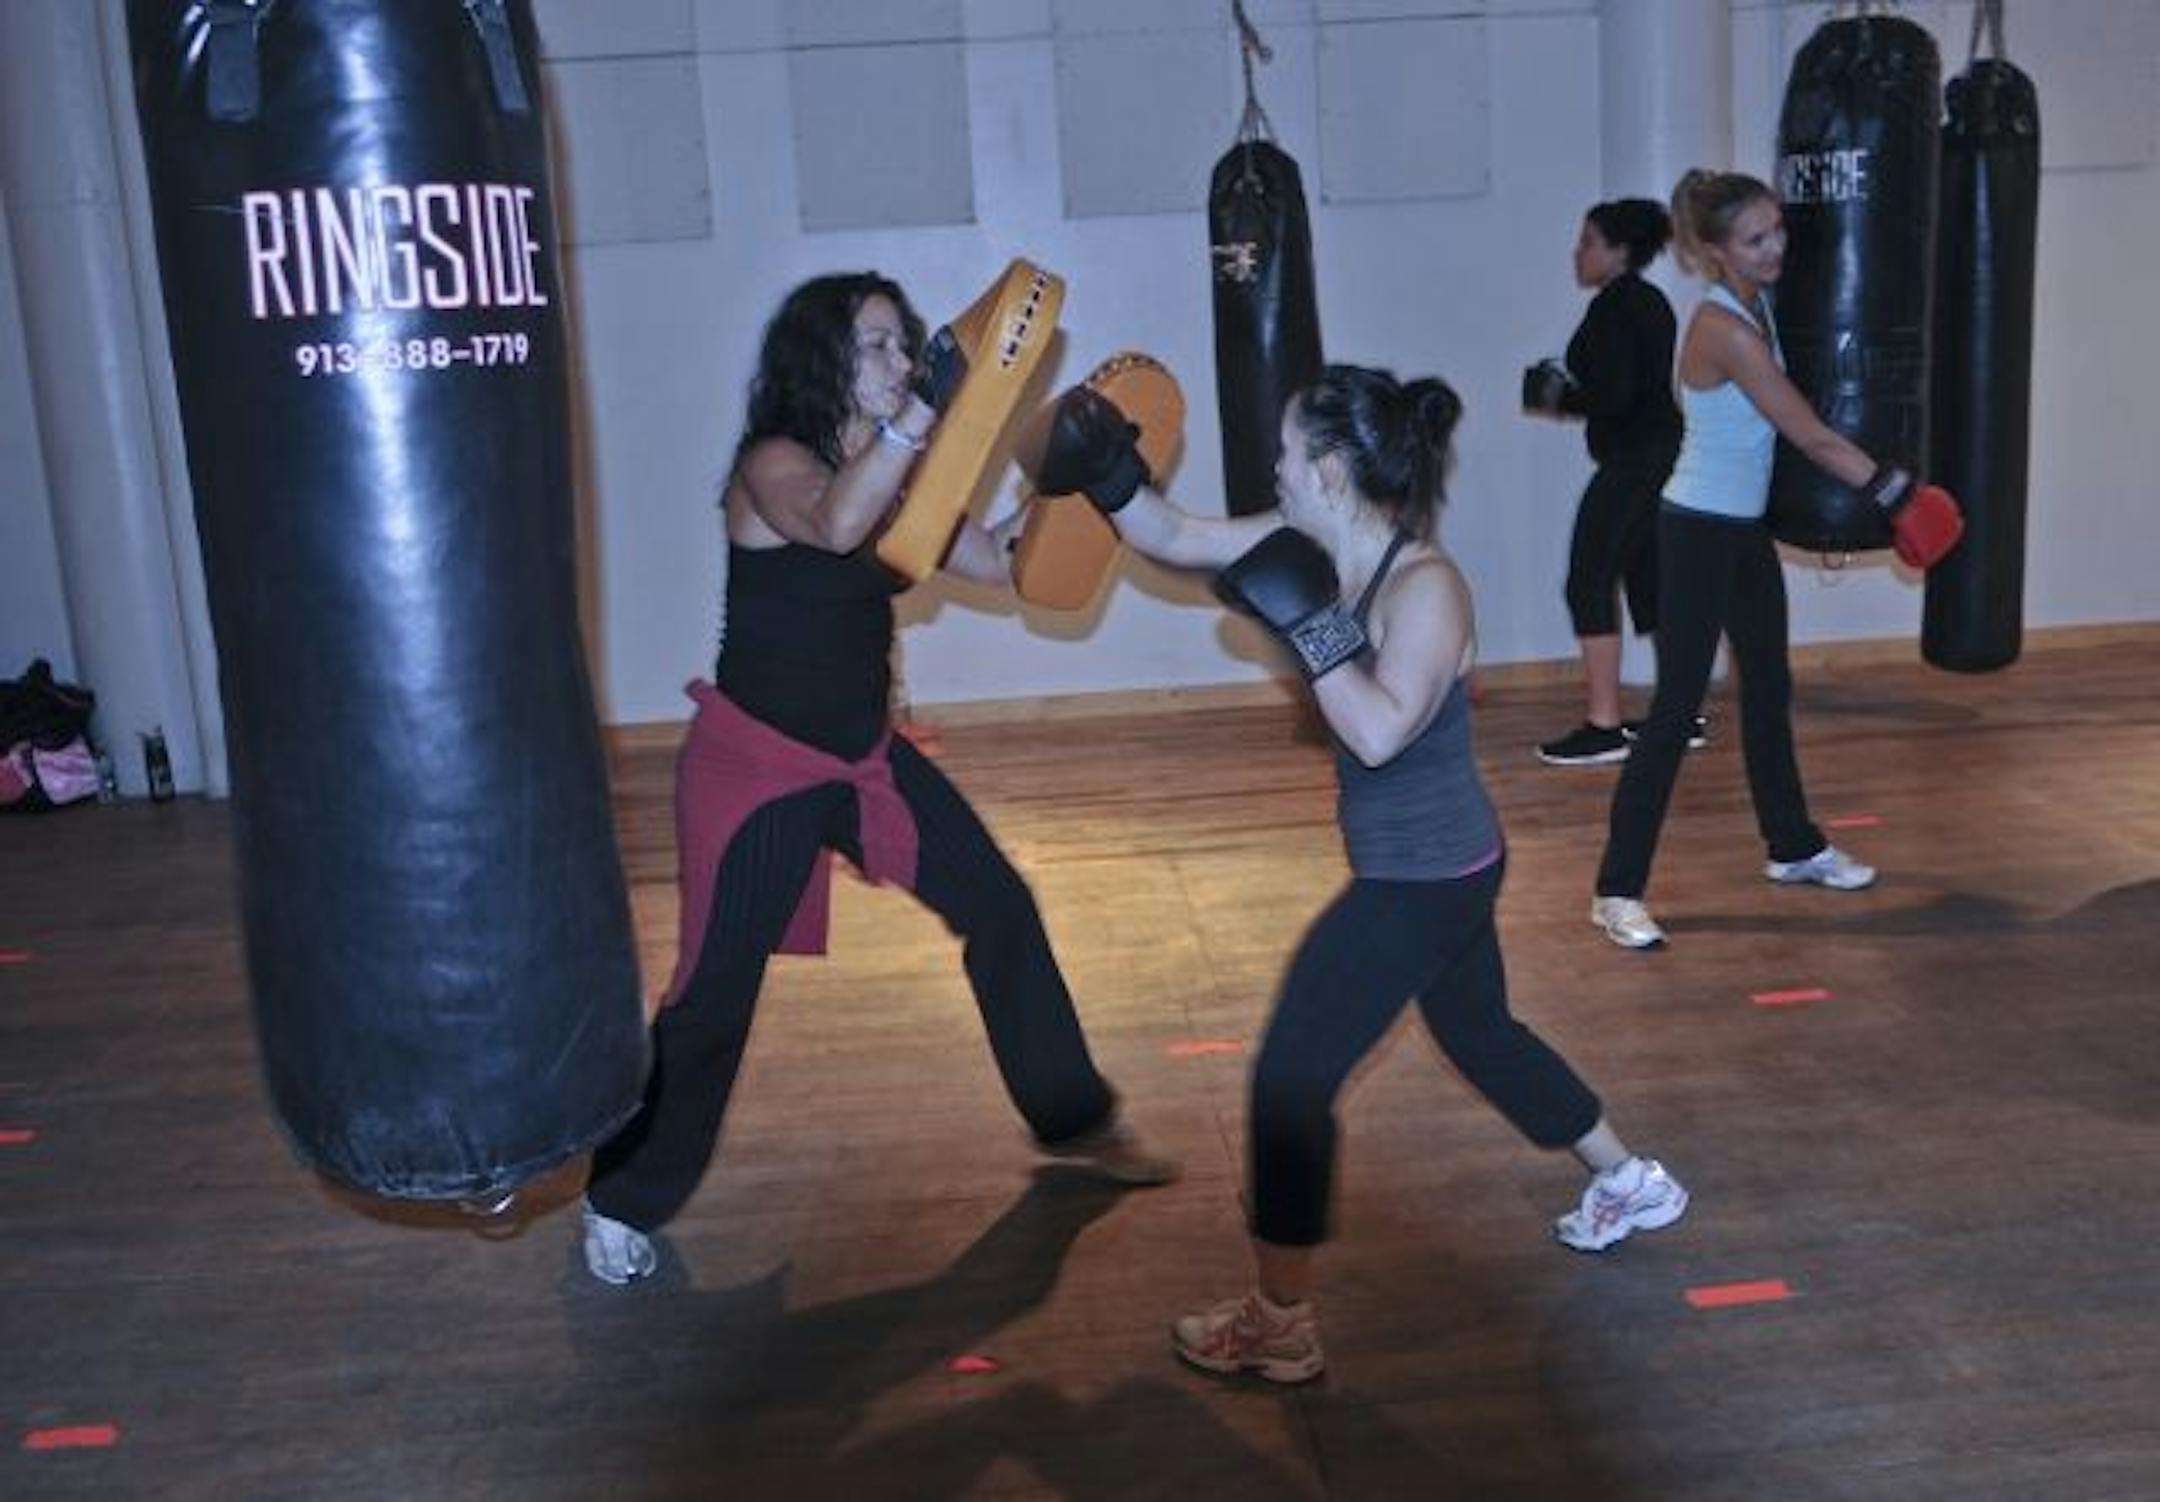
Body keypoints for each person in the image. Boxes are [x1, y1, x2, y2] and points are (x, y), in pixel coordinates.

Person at [1024, 364, 1689, 1384]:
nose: (1276, 472)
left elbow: (1378, 730)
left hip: (1421, 881)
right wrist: (1111, 471)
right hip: (1446, 861)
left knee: (1290, 1080)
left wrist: (1315, 626)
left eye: (1288, 455)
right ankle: (1628, 1175)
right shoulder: (1308, 546)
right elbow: (1178, 536)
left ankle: (1280, 1318)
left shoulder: (1429, 588)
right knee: (1483, 1033)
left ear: (1331, 470)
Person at [578, 272, 1177, 1286]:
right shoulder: (773, 465)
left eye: (906, 345)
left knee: (1000, 903)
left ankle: (1074, 1116)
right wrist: (930, 422)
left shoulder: (904, 469)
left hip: (864, 761)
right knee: (712, 997)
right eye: (880, 348)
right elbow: (838, 524)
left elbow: (995, 563)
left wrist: (1081, 486)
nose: (903, 364)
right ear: (824, 360)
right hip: (757, 768)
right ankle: (619, 1197)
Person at [1587, 171, 1959, 951]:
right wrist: (1898, 493)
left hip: (1743, 531)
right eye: (1756, 240)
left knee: (1769, 687)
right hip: (1695, 531)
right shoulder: (1724, 329)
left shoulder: (1756, 305)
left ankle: (1792, 846)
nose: (1776, 247)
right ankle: (1616, 889)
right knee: (1674, 709)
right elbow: (1810, 434)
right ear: (1714, 251)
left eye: (1778, 229)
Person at [1522, 198, 1702, 766]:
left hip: (1638, 461)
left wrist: (1559, 397)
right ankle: (1680, 716)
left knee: (1589, 580)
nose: (1579, 253)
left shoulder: (1619, 305)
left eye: (1589, 243)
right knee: (1649, 580)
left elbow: (1615, 396)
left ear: (1620, 251)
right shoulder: (1643, 301)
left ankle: (1603, 726)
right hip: (1659, 455)